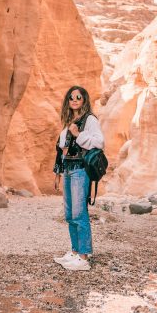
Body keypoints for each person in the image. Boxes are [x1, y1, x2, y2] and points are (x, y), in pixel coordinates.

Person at [52, 85, 104, 271]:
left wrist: (78, 135)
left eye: (78, 97)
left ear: (84, 100)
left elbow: (99, 142)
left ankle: (84, 256)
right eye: (71, 97)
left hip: (81, 170)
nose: (74, 100)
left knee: (79, 213)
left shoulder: (89, 120)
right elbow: (61, 151)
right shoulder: (69, 121)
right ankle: (75, 252)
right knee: (69, 214)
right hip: (68, 170)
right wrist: (57, 173)